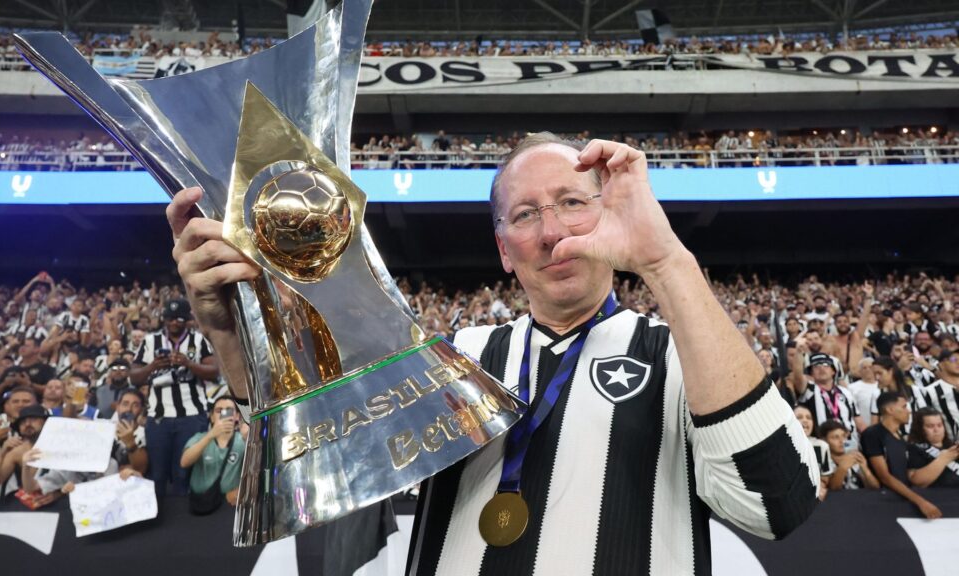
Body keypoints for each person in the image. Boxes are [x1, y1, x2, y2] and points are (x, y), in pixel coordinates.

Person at [166, 133, 819, 574]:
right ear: (504, 250)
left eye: (573, 204)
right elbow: (319, 484)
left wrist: (664, 258)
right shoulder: (452, 355)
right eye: (526, 215)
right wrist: (233, 335)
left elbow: (776, 503)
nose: (554, 232)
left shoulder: (686, 356)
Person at [130, 298, 217, 497]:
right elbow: (134, 377)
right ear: (164, 319)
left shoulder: (198, 340)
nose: (174, 322)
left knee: (184, 472)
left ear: (187, 320)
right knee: (158, 473)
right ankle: (158, 517)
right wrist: (152, 366)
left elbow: (214, 371)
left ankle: (185, 522)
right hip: (159, 417)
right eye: (170, 318)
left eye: (179, 318)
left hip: (192, 415)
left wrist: (189, 364)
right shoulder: (150, 341)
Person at [861, 392, 941, 518]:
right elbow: (885, 476)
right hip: (882, 502)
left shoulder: (901, 438)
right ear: (890, 409)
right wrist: (920, 501)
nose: (908, 411)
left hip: (903, 500)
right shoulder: (873, 434)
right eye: (904, 407)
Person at [180, 395, 246, 509]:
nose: (223, 414)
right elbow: (184, 462)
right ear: (211, 417)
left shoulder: (243, 440)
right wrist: (210, 435)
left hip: (229, 504)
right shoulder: (199, 438)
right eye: (219, 410)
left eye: (229, 410)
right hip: (201, 503)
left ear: (237, 416)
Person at [795, 352, 864, 449]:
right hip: (823, 445)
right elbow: (798, 377)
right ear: (811, 373)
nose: (821, 369)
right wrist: (799, 352)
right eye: (816, 366)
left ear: (833, 371)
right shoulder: (809, 390)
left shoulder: (845, 392)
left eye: (826, 365)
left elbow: (858, 420)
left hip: (849, 443)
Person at [818, 420, 878, 491]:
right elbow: (833, 489)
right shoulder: (823, 462)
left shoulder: (854, 457)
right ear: (824, 441)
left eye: (843, 436)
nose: (842, 441)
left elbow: (875, 487)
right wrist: (843, 468)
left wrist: (865, 469)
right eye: (835, 437)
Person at [914, 349, 959, 443]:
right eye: (954, 360)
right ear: (941, 364)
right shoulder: (930, 391)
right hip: (951, 446)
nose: (958, 362)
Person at [906, 408, 959, 488]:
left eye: (939, 425)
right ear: (920, 429)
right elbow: (916, 481)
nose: (936, 430)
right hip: (941, 496)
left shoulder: (952, 446)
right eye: (930, 426)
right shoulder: (914, 449)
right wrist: (944, 458)